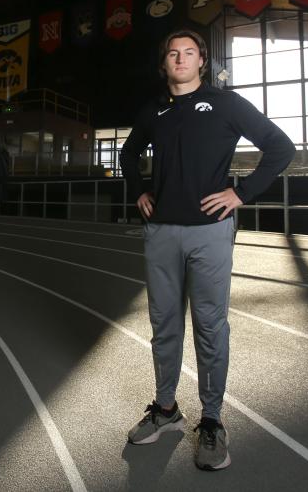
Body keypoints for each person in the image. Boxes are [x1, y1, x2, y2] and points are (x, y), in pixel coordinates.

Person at [119, 29, 295, 470]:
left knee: (210, 325)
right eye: (172, 53)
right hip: (160, 231)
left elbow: (280, 147)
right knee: (164, 324)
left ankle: (212, 420)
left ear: (201, 61)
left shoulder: (225, 104)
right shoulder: (154, 110)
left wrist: (242, 193)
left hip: (210, 232)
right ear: (165, 63)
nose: (180, 59)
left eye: (189, 53)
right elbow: (128, 154)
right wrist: (139, 189)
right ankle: (165, 409)